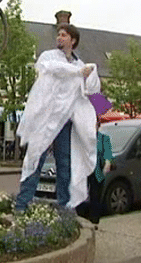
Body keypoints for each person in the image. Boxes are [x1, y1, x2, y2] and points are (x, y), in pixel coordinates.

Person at [15, 23, 100, 212]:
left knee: (65, 165)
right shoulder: (49, 56)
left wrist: (89, 74)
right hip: (45, 120)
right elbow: (52, 68)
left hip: (64, 123)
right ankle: (22, 205)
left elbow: (91, 93)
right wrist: (78, 73)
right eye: (58, 35)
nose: (59, 38)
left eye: (64, 35)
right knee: (35, 159)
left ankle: (65, 207)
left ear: (73, 40)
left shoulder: (80, 65)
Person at [88, 125, 114, 225]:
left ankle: (94, 222)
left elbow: (108, 154)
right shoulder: (84, 138)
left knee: (95, 197)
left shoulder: (104, 138)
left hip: (98, 171)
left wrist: (108, 162)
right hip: (85, 170)